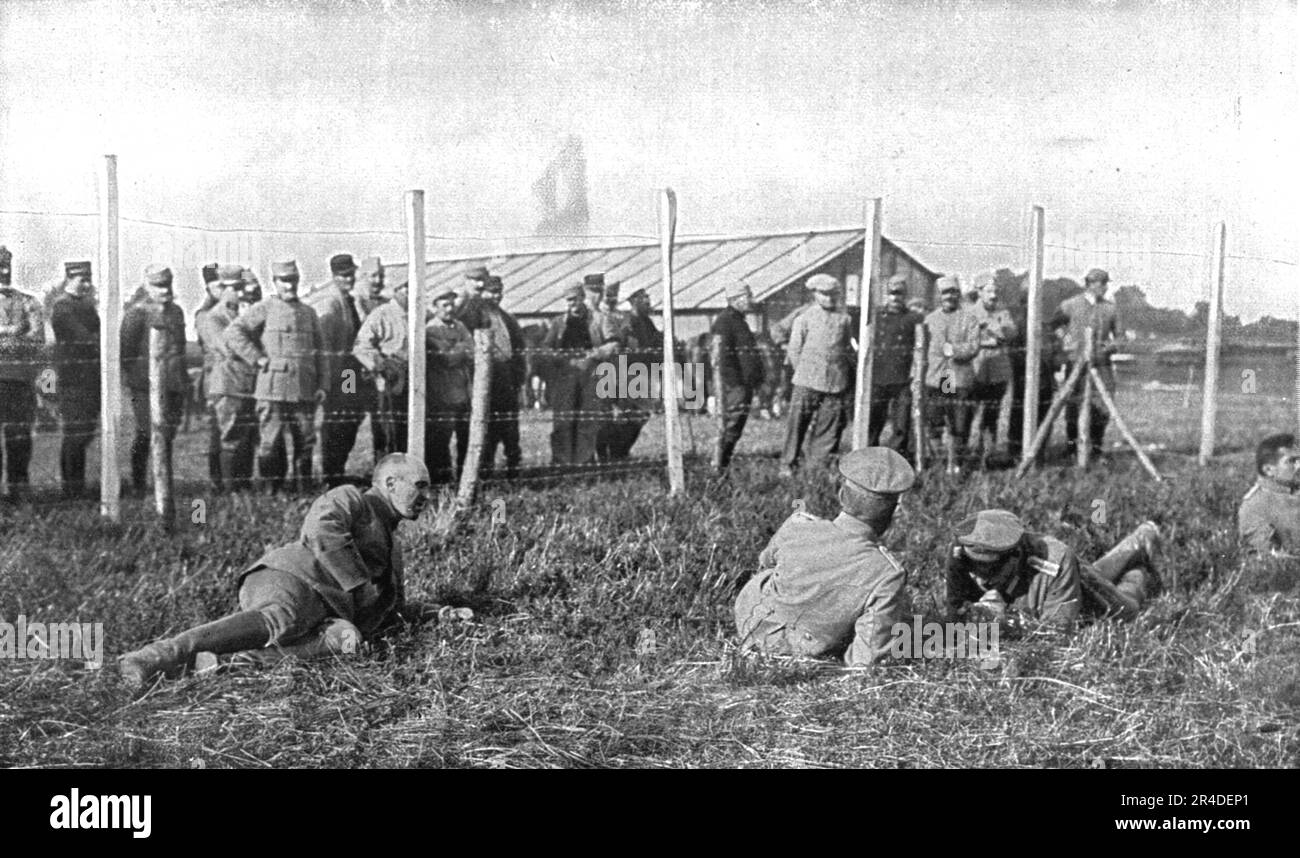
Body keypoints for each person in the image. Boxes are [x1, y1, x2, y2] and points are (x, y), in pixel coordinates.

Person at [118, 453, 468, 689]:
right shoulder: (351, 499)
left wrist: (441, 613)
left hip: (325, 613)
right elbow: (322, 530)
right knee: (283, 618)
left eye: (428, 488)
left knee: (346, 640)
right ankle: (154, 657)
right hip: (292, 579)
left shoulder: (394, 548)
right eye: (419, 486)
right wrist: (359, 584)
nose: (427, 495)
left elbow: (392, 609)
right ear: (390, 483)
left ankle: (222, 664)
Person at [734, 447, 916, 666]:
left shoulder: (797, 526)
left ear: (841, 495)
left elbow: (764, 564)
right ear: (893, 513)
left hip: (751, 626)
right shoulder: (887, 573)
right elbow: (868, 655)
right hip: (810, 650)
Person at [945, 509, 1161, 627]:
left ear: (1014, 558)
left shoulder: (1054, 561)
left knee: (1127, 611)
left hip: (1070, 578)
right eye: (972, 567)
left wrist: (1007, 621)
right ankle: (1137, 545)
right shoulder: (960, 552)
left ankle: (1139, 565)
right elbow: (956, 615)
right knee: (1098, 573)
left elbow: (1058, 629)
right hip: (1061, 583)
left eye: (989, 570)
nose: (979, 579)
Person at [225, 260, 327, 492]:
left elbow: (321, 352)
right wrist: (257, 358)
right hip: (272, 387)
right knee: (270, 441)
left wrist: (323, 384)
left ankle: (304, 489)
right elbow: (233, 332)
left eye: (293, 280)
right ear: (275, 282)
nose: (289, 285)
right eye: (284, 281)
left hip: (304, 388)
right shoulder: (265, 308)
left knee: (306, 441)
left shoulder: (309, 313)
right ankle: (271, 490)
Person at [119, 265, 187, 497]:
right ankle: (138, 483)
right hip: (145, 386)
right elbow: (126, 352)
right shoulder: (137, 313)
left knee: (167, 433)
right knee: (146, 432)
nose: (164, 290)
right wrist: (138, 380)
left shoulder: (176, 312)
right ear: (147, 286)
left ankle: (163, 482)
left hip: (173, 384)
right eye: (158, 286)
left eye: (167, 284)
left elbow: (180, 348)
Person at [781, 273, 855, 475]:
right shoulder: (804, 318)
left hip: (835, 383)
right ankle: (788, 464)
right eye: (824, 295)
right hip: (807, 381)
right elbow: (794, 350)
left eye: (833, 295)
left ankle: (817, 468)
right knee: (797, 425)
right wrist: (805, 373)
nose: (829, 299)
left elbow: (847, 348)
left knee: (829, 429)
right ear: (815, 294)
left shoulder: (844, 319)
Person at [311, 253, 372, 487]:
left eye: (351, 275)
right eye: (344, 276)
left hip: (352, 373)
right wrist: (331, 380)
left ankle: (338, 470)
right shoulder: (331, 304)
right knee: (339, 422)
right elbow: (326, 346)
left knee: (351, 420)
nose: (349, 279)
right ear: (334, 277)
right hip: (342, 374)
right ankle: (332, 474)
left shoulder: (351, 301)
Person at [196, 265, 258, 491]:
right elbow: (229, 348)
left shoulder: (242, 314)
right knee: (230, 437)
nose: (242, 293)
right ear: (223, 288)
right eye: (237, 288)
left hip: (249, 385)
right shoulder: (213, 317)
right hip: (227, 385)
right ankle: (229, 489)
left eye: (244, 287)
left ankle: (244, 484)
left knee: (248, 438)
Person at [1053, 268, 1120, 459]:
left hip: (1102, 365)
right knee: (1074, 405)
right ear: (1089, 284)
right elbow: (1055, 324)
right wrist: (1065, 339)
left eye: (1106, 283)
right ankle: (1072, 447)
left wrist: (1110, 347)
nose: (1104, 287)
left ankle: (1096, 447)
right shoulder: (1070, 305)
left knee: (1103, 406)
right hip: (1076, 364)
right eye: (1100, 283)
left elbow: (1119, 336)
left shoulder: (1110, 308)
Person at [542, 282, 608, 467]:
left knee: (587, 419)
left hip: (590, 374)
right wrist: (559, 358)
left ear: (582, 297)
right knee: (563, 419)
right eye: (568, 300)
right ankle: (562, 462)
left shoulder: (598, 319)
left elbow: (614, 343)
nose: (571, 304)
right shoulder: (558, 323)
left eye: (574, 299)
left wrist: (594, 355)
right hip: (565, 375)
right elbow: (546, 347)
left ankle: (584, 461)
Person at [50, 261, 100, 498]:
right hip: (73, 379)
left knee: (85, 432)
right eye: (83, 280)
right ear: (69, 279)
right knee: (75, 434)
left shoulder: (86, 305)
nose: (87, 285)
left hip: (90, 377)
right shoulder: (62, 307)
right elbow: (85, 337)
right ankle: (71, 489)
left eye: (89, 280)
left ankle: (75, 486)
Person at [0, 245, 44, 502]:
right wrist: (13, 331)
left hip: (19, 380)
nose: (4, 271)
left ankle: (18, 490)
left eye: (7, 265)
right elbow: (25, 337)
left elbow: (36, 339)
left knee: (19, 438)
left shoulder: (27, 301)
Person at [924, 275, 979, 472]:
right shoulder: (930, 319)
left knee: (959, 425)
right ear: (939, 296)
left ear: (959, 294)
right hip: (935, 378)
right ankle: (938, 462)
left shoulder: (969, 319)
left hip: (959, 378)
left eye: (953, 292)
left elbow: (973, 347)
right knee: (934, 422)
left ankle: (957, 464)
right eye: (945, 292)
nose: (949, 296)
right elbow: (921, 349)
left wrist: (953, 350)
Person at [710, 281, 765, 472]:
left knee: (736, 425)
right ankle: (718, 465)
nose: (751, 300)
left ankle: (722, 463)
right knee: (731, 425)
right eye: (747, 296)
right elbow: (722, 358)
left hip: (743, 383)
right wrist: (735, 384)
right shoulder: (725, 321)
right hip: (735, 383)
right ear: (735, 299)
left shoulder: (738, 320)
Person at [353, 277, 411, 456]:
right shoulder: (382, 314)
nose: (411, 294)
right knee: (387, 431)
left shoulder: (418, 314)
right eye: (407, 290)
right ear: (397, 290)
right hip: (389, 381)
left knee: (407, 430)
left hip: (412, 380)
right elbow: (360, 347)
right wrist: (380, 367)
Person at [477, 275, 526, 478]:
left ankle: (513, 470)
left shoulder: (507, 318)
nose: (495, 296)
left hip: (507, 378)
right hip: (487, 377)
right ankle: (485, 472)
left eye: (498, 292)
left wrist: (519, 379)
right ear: (483, 292)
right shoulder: (477, 316)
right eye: (491, 291)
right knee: (488, 430)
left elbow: (519, 349)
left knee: (510, 429)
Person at [868, 273, 922, 454]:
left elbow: (920, 347)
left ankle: (896, 457)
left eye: (899, 294)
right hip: (877, 377)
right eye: (891, 293)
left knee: (901, 423)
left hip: (903, 378)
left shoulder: (914, 318)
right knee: (873, 420)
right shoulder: (876, 317)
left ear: (905, 296)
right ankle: (869, 454)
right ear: (885, 295)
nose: (895, 298)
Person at [966, 272, 1018, 457]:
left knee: (992, 414)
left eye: (995, 291)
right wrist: (990, 339)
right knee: (968, 413)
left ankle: (988, 452)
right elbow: (966, 338)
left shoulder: (1003, 313)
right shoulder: (969, 313)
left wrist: (992, 330)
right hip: (974, 370)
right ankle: (966, 453)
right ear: (979, 292)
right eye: (988, 291)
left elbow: (1011, 333)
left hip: (998, 372)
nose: (993, 295)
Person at [425, 287, 473, 483]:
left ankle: (464, 479)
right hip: (442, 395)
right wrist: (460, 350)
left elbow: (473, 350)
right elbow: (446, 358)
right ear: (435, 307)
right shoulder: (430, 329)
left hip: (462, 393)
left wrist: (458, 350)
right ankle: (441, 481)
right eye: (444, 305)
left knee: (466, 439)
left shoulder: (460, 326)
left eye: (452, 304)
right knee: (440, 441)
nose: (449, 309)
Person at [608, 285, 659, 458]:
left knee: (641, 416)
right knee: (630, 417)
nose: (648, 301)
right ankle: (617, 452)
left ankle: (621, 452)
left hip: (643, 375)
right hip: (629, 376)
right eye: (643, 298)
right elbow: (622, 351)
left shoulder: (647, 322)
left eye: (647, 297)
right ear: (634, 301)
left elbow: (654, 343)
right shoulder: (628, 324)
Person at [1238, 433, 1300, 558]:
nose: (1299, 466)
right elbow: (1267, 558)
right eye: (1291, 461)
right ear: (1268, 470)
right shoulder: (1255, 506)